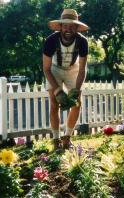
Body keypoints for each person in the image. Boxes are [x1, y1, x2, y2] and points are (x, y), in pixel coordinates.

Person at [42, 9, 89, 149]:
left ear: (76, 27)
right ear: (60, 26)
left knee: (76, 103)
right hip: (54, 69)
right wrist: (57, 90)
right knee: (54, 103)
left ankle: (67, 137)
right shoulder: (50, 41)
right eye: (65, 25)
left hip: (73, 69)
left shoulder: (82, 41)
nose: (68, 29)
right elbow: (46, 68)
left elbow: (82, 69)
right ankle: (56, 140)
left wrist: (76, 90)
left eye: (72, 25)